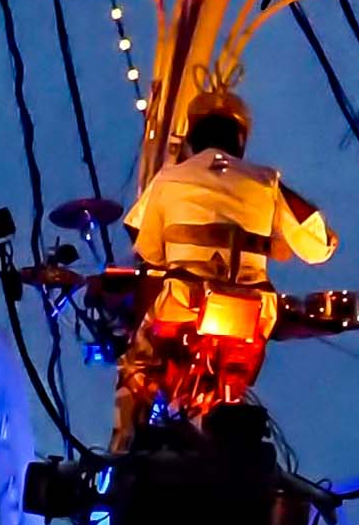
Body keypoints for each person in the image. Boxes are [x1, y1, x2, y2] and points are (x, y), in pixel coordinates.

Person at [115, 93, 336, 447]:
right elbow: (319, 246)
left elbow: (148, 249)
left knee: (137, 368)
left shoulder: (169, 178)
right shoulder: (267, 180)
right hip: (252, 310)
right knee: (241, 367)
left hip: (184, 303)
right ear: (241, 139)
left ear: (191, 139)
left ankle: (121, 448)